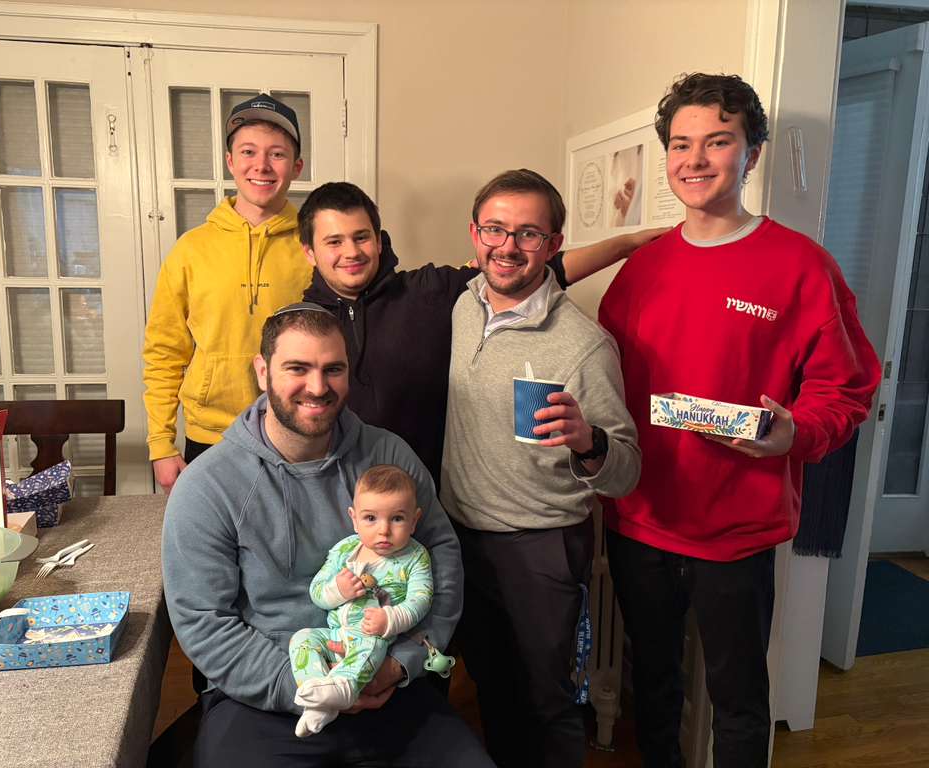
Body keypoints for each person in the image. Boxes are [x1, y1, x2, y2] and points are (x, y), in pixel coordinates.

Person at [597, 73, 881, 768]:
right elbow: (607, 387)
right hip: (640, 521)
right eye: (681, 144)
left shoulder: (801, 267)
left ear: (751, 153)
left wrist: (795, 433)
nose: (695, 159)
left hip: (737, 529)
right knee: (652, 684)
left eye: (717, 142)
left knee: (740, 701)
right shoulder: (641, 269)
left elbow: (846, 388)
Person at [161, 303, 494, 767]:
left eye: (333, 369)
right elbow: (203, 620)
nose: (317, 387)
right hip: (269, 692)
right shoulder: (208, 486)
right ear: (263, 371)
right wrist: (308, 688)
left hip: (387, 677)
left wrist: (398, 665)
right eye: (297, 368)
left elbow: (441, 559)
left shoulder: (389, 457)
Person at [438, 169, 642, 768]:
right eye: (495, 230)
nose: (508, 247)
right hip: (460, 537)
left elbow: (626, 470)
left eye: (528, 233)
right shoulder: (461, 305)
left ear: (553, 244)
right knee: (493, 688)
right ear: (474, 234)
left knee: (546, 701)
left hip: (540, 548)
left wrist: (589, 442)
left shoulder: (584, 345)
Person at [301, 181, 663, 487]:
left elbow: (531, 267)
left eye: (361, 237)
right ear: (310, 252)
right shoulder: (301, 325)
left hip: (429, 503)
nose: (351, 252)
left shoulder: (431, 292)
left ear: (379, 241)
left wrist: (625, 245)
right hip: (340, 497)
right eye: (334, 242)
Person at [143, 93, 311, 494]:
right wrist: (161, 443)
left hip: (295, 430)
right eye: (248, 152)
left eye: (277, 154)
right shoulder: (191, 249)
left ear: (296, 166)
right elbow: (165, 351)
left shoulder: (313, 246)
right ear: (230, 161)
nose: (262, 165)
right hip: (210, 435)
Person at [290, 464, 434, 738]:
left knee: (371, 643)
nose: (384, 531)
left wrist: (389, 619)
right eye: (370, 518)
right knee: (302, 639)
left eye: (397, 519)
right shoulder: (344, 549)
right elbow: (316, 591)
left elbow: (421, 599)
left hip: (372, 638)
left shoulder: (415, 557)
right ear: (354, 519)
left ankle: (343, 689)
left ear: (414, 521)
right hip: (336, 635)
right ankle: (316, 699)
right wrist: (338, 590)